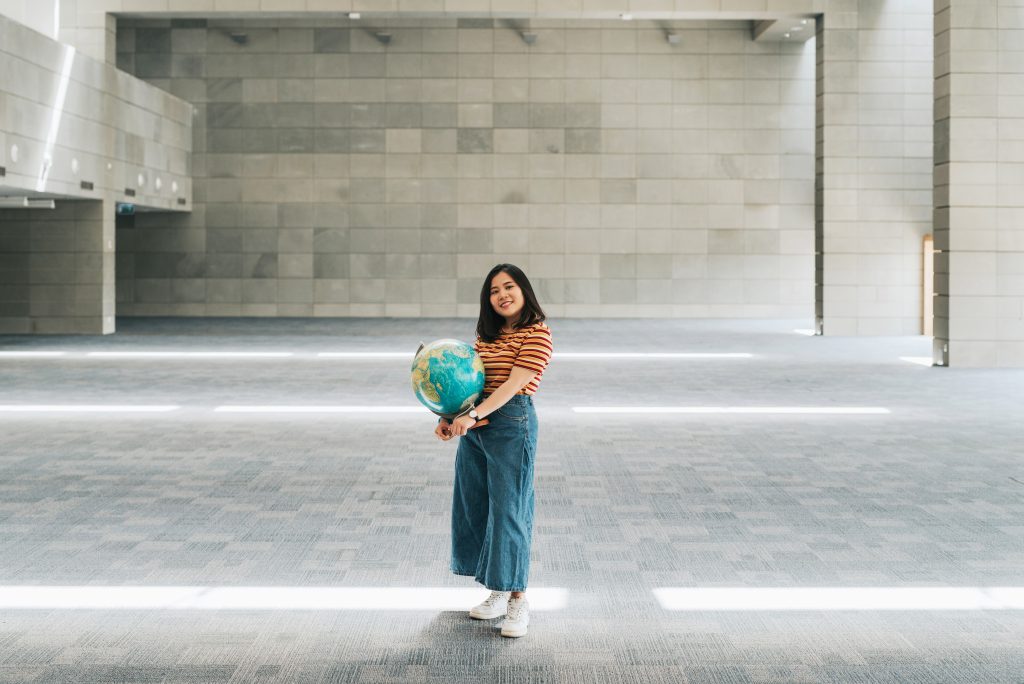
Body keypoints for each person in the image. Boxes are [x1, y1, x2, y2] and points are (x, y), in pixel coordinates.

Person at [434, 263, 553, 638]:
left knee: (510, 511)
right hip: (476, 426)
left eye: (509, 286)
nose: (502, 295)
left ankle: (518, 598)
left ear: (524, 290)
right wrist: (449, 415)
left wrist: (473, 415)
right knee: (476, 507)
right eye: (494, 290)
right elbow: (471, 380)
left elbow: (513, 386)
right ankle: (498, 590)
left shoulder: (538, 334)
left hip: (511, 426)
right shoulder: (486, 337)